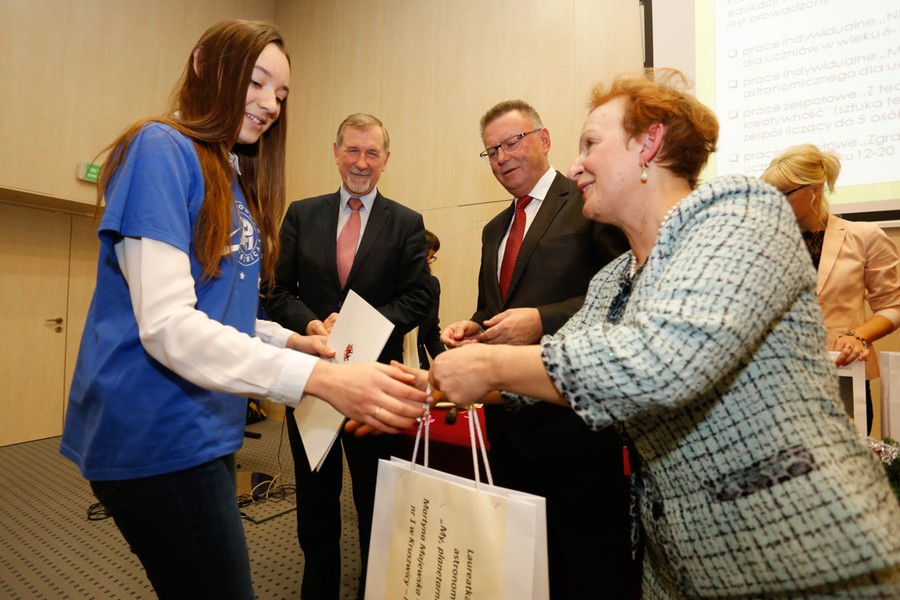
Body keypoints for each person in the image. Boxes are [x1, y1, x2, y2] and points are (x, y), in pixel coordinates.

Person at [430, 69, 900, 597]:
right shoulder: (613, 278)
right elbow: (567, 365)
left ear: (649, 142)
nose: (574, 164)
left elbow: (664, 361)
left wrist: (488, 365)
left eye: (590, 143)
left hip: (798, 550)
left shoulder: (743, 213)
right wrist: (429, 386)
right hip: (677, 561)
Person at [59, 21, 426, 600]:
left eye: (280, 95)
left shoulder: (228, 174)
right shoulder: (161, 148)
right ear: (205, 63)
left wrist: (288, 343)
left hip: (202, 428)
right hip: (158, 435)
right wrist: (320, 377)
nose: (269, 105)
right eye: (257, 82)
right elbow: (168, 327)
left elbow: (216, 308)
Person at [440, 99, 633, 599]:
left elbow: (621, 298)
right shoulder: (493, 230)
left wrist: (542, 320)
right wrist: (472, 328)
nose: (503, 157)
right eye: (491, 152)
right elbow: (495, 308)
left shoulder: (591, 203)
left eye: (512, 142)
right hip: (507, 425)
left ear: (544, 140)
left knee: (589, 569)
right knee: (527, 568)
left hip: (574, 427)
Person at [263, 113, 431, 599]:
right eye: (352, 151)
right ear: (335, 152)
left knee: (376, 499)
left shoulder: (406, 223)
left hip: (375, 386)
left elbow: (418, 298)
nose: (361, 162)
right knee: (315, 501)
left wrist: (361, 326)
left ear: (386, 159)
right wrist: (314, 324)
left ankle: (375, 589)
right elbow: (275, 292)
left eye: (371, 153)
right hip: (310, 376)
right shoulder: (301, 213)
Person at [761, 144, 900, 433]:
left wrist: (858, 336)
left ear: (815, 189)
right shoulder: (763, 242)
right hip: (775, 382)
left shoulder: (865, 236)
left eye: (783, 193)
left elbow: (892, 307)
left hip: (842, 376)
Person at [417, 229, 445, 369]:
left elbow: (431, 332)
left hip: (419, 365)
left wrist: (447, 363)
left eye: (432, 257)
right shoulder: (385, 285)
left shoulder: (432, 285)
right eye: (426, 257)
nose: (429, 262)